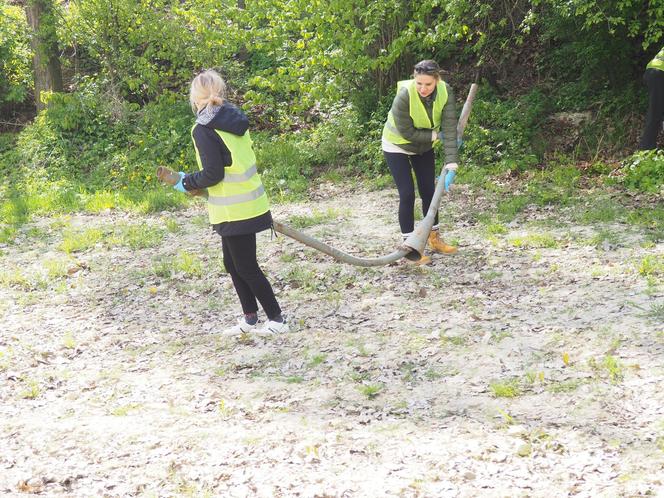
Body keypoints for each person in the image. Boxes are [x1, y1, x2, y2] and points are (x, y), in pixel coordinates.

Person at [172, 69, 288, 336]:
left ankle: (277, 320)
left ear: (195, 97)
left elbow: (213, 173)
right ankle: (250, 319)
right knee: (232, 263)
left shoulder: (203, 128)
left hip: (235, 209)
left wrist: (187, 181)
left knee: (246, 266)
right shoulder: (232, 118)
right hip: (247, 203)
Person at [382, 59, 459, 264]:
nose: (423, 89)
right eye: (419, 83)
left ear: (437, 81)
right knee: (407, 194)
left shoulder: (445, 92)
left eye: (428, 84)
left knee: (429, 192)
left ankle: (433, 237)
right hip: (396, 144)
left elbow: (450, 128)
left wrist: (452, 163)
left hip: (423, 147)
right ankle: (410, 247)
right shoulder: (404, 95)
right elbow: (406, 131)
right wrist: (434, 136)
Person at [639, 46, 664, 150]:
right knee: (655, 112)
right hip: (658, 74)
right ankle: (645, 149)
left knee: (659, 109)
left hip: (653, 72)